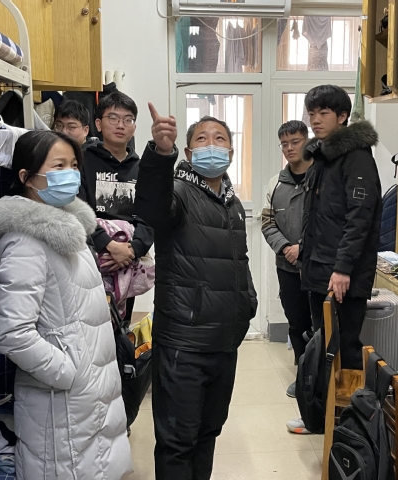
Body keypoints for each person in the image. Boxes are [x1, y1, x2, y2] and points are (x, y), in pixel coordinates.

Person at [0, 130, 133, 479]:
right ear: (27, 177)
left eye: (74, 165)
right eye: (58, 166)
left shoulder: (68, 229)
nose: (70, 174)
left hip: (88, 392)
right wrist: (67, 372)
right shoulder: (25, 241)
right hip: (62, 400)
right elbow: (14, 333)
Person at [135, 105, 258, 480]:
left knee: (208, 433)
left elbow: (238, 261)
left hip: (224, 342)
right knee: (178, 442)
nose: (212, 144)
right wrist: (161, 154)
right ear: (188, 153)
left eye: (220, 138)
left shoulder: (232, 203)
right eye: (202, 139)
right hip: (184, 343)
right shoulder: (178, 193)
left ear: (231, 152)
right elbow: (152, 208)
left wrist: (247, 303)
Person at [287, 84, 381, 434]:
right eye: (311, 113)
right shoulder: (323, 157)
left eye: (323, 113)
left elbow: (360, 219)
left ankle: (349, 424)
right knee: (323, 344)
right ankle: (322, 415)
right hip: (319, 269)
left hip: (341, 275)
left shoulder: (356, 157)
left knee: (345, 347)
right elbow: (319, 217)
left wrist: (342, 269)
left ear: (342, 116)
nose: (315, 120)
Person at [78, 91, 153, 324]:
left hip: (128, 260)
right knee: (91, 322)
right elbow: (78, 208)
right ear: (98, 124)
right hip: (91, 252)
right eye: (113, 118)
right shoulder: (82, 160)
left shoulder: (143, 168)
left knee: (122, 324)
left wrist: (132, 250)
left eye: (128, 119)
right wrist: (108, 245)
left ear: (134, 127)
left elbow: (150, 215)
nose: (120, 125)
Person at [261, 120, 312, 398]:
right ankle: (303, 377)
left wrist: (302, 247)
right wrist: (285, 248)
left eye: (295, 142)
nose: (289, 148)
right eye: (284, 144)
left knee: (321, 326)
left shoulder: (323, 178)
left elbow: (330, 223)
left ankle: (321, 380)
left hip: (317, 267)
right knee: (296, 324)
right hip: (287, 267)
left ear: (307, 141)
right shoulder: (276, 183)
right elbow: (267, 222)